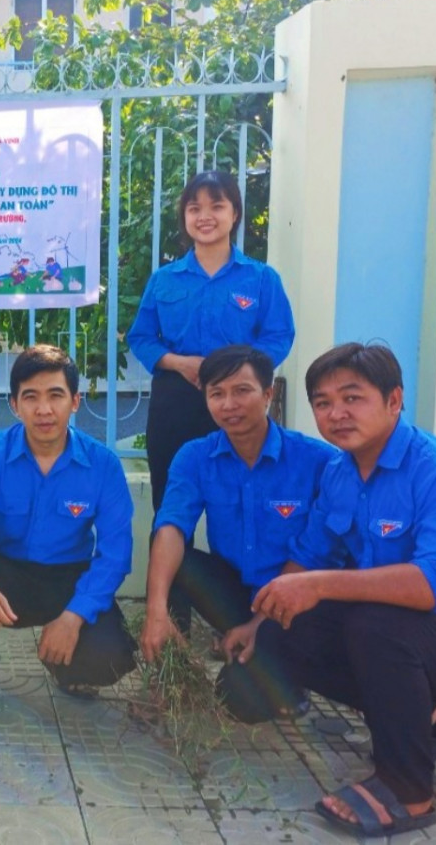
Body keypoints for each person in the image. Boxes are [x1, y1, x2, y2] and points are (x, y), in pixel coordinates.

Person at [245, 343, 436, 837]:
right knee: (284, 633)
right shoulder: (339, 473)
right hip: (407, 633)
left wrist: (318, 585)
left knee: (375, 624)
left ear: (394, 400)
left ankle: (408, 791)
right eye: (322, 403)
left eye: (352, 398)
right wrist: (260, 619)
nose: (336, 414)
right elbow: (312, 555)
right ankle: (428, 714)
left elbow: (435, 585)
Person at [126, 169, 295, 632]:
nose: (205, 216)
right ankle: (170, 618)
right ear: (184, 217)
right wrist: (178, 362)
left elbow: (279, 336)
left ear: (234, 213)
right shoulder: (165, 279)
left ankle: (240, 617)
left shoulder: (260, 279)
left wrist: (240, 375)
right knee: (170, 504)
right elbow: (142, 337)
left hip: (238, 403)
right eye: (194, 207)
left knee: (241, 501)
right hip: (175, 400)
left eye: (216, 206)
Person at [0, 345, 137, 721]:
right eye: (31, 397)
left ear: (75, 401)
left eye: (56, 395)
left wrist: (74, 616)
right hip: (6, 574)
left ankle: (65, 666)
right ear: (15, 405)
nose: (44, 409)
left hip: (67, 579)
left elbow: (115, 553)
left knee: (114, 655)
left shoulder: (103, 465)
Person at [139, 345, 335, 721]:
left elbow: (317, 552)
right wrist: (155, 610)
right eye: (217, 393)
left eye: (242, 391)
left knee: (242, 700)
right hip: (236, 593)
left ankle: (292, 670)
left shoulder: (318, 461)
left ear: (268, 393)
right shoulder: (195, 456)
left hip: (296, 600)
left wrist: (260, 625)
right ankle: (171, 666)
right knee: (171, 554)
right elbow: (172, 526)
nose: (229, 404)